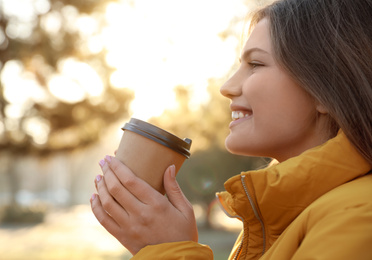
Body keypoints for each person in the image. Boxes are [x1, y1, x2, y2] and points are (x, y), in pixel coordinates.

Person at [90, 0, 372, 259]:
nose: (227, 87)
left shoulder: (357, 217)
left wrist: (171, 250)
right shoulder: (280, 218)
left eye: (256, 64)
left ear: (325, 87)